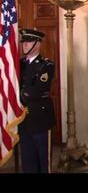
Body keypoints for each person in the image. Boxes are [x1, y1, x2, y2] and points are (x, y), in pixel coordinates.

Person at [19, 28, 56, 173]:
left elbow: (37, 90)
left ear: (38, 44)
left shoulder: (46, 65)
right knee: (28, 161)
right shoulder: (19, 64)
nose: (25, 45)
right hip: (22, 118)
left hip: (40, 118)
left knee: (43, 160)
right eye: (24, 42)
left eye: (29, 42)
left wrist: (19, 95)